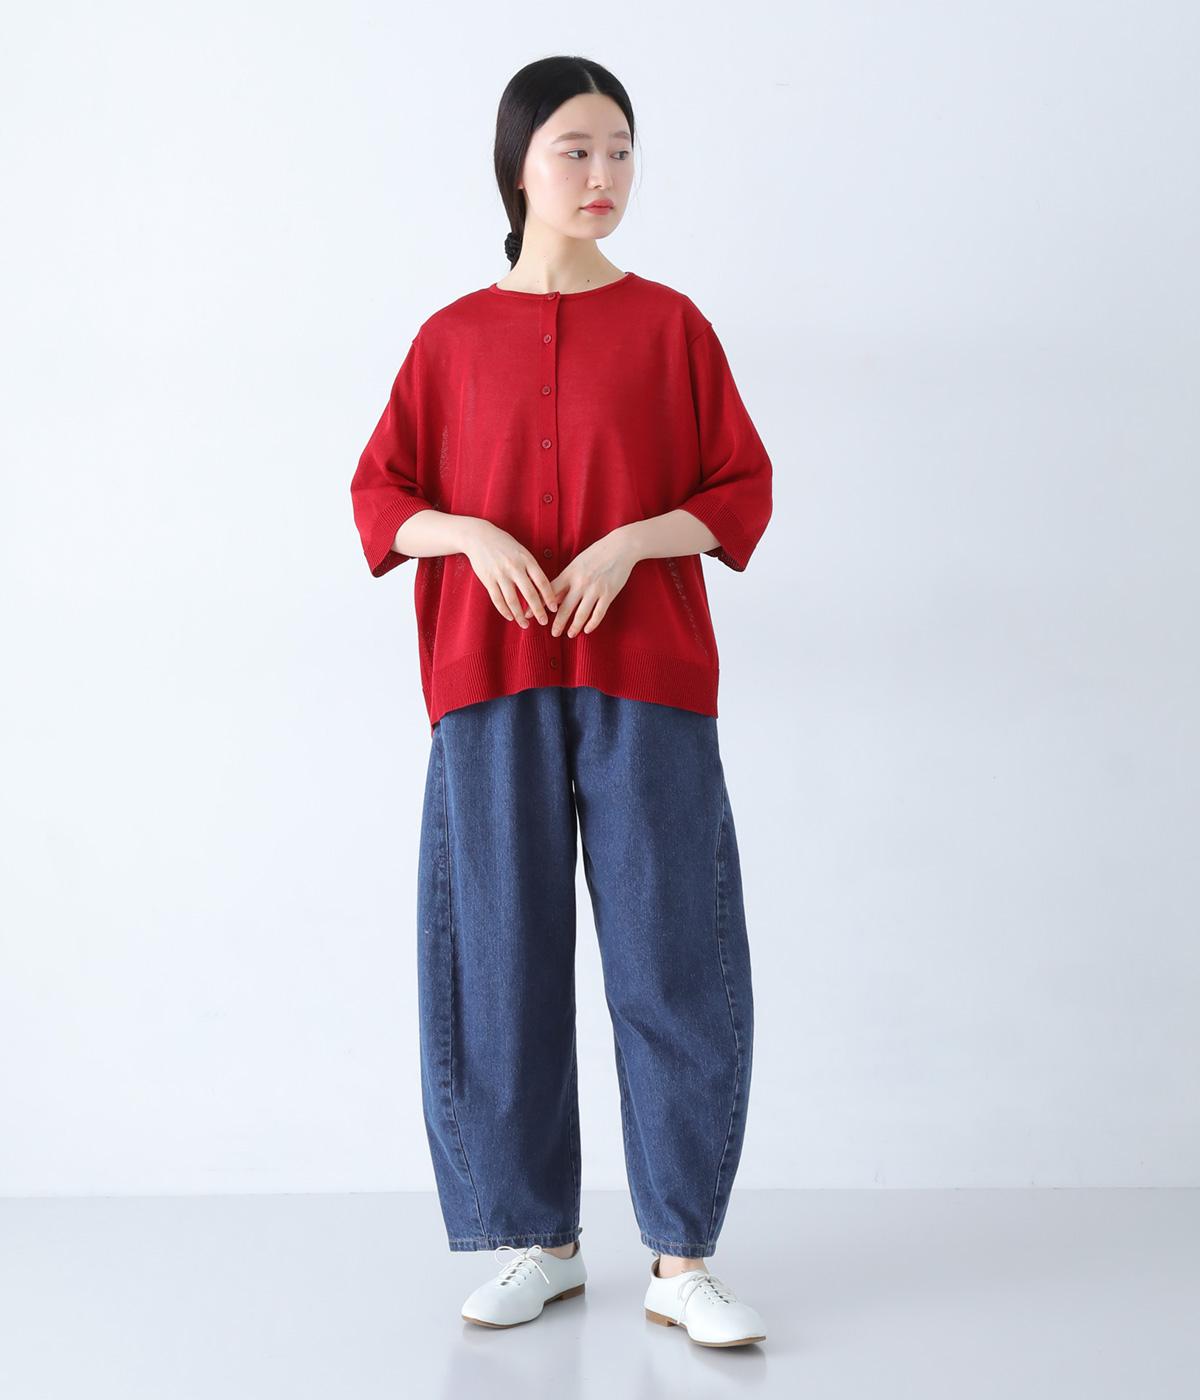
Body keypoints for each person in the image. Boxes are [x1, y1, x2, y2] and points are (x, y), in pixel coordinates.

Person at [350, 55, 773, 1349]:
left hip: (648, 679)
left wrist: (637, 539)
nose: (604, 175)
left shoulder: (672, 327)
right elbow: (380, 497)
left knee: (673, 957)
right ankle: (538, 1240)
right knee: (499, 959)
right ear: (518, 165)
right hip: (489, 680)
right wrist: (468, 531)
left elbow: (739, 488)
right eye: (575, 150)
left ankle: (682, 1258)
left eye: (621, 150)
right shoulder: (449, 339)